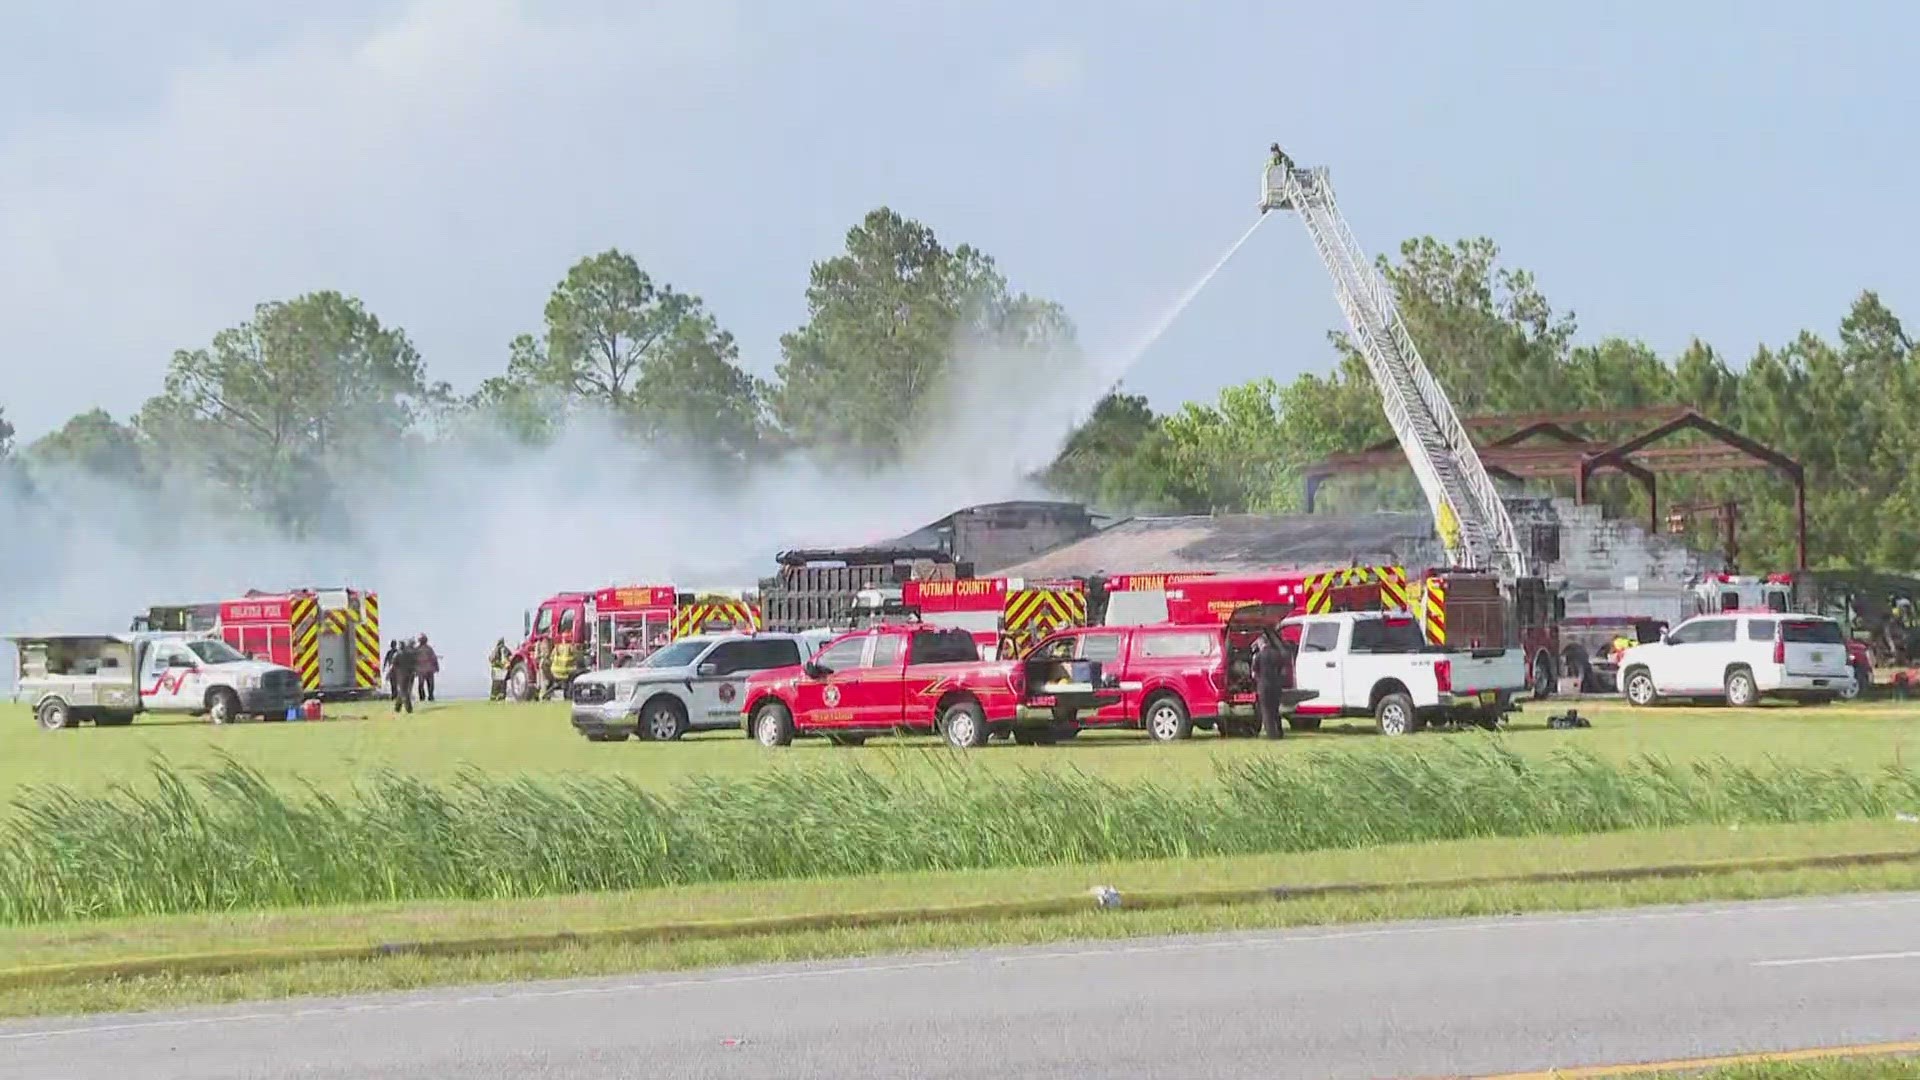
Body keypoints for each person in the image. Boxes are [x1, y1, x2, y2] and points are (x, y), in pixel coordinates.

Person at [1254, 630, 1289, 740]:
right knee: (1275, 710)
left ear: (1261, 643)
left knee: (1266, 710)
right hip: (1276, 685)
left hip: (1264, 685)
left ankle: (1271, 734)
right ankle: (1280, 732)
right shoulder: (1277, 654)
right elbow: (1282, 670)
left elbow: (1255, 672)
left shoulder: (1259, 656)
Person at [388, 637, 417, 714]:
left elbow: (393, 665)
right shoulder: (410, 654)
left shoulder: (397, 654)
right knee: (402, 691)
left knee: (404, 691)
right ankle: (397, 708)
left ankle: (409, 709)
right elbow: (414, 664)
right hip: (409, 675)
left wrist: (388, 674)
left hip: (401, 675)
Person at [414, 634, 439, 703]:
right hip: (422, 670)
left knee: (430, 684)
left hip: (428, 669)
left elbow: (434, 658)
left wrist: (436, 667)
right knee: (422, 685)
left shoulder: (429, 649)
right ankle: (423, 697)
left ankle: (430, 696)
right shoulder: (417, 649)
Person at [534, 635, 553, 700]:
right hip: (548, 662)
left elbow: (536, 656)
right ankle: (544, 696)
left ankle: (543, 696)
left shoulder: (539, 643)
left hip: (543, 663)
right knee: (547, 681)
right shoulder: (550, 641)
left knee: (543, 681)